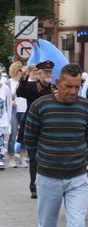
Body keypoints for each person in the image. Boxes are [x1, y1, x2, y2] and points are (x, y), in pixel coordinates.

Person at [24, 63, 88, 227]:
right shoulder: (41, 106)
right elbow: (30, 138)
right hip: (48, 176)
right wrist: (43, 161)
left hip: (77, 177)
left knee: (77, 226)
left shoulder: (86, 108)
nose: (74, 91)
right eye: (69, 86)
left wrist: (78, 157)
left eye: (77, 86)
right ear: (57, 84)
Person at [16, 60, 54, 198]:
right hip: (32, 127)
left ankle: (46, 185)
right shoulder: (31, 86)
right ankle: (34, 186)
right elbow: (20, 92)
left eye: (50, 72)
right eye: (45, 72)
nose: (47, 74)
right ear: (39, 74)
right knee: (34, 157)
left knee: (48, 158)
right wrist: (24, 77)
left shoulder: (53, 89)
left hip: (49, 128)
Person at [7, 61, 28, 168]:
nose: (22, 72)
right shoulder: (9, 82)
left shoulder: (25, 82)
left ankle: (22, 157)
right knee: (13, 135)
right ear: (16, 70)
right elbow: (5, 97)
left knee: (24, 135)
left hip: (24, 110)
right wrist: (11, 102)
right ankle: (11, 158)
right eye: (21, 70)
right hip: (13, 111)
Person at [0, 77, 13, 170]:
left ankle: (1, 160)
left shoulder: (5, 88)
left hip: (2, 120)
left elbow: (9, 105)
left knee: (1, 141)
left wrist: (8, 120)